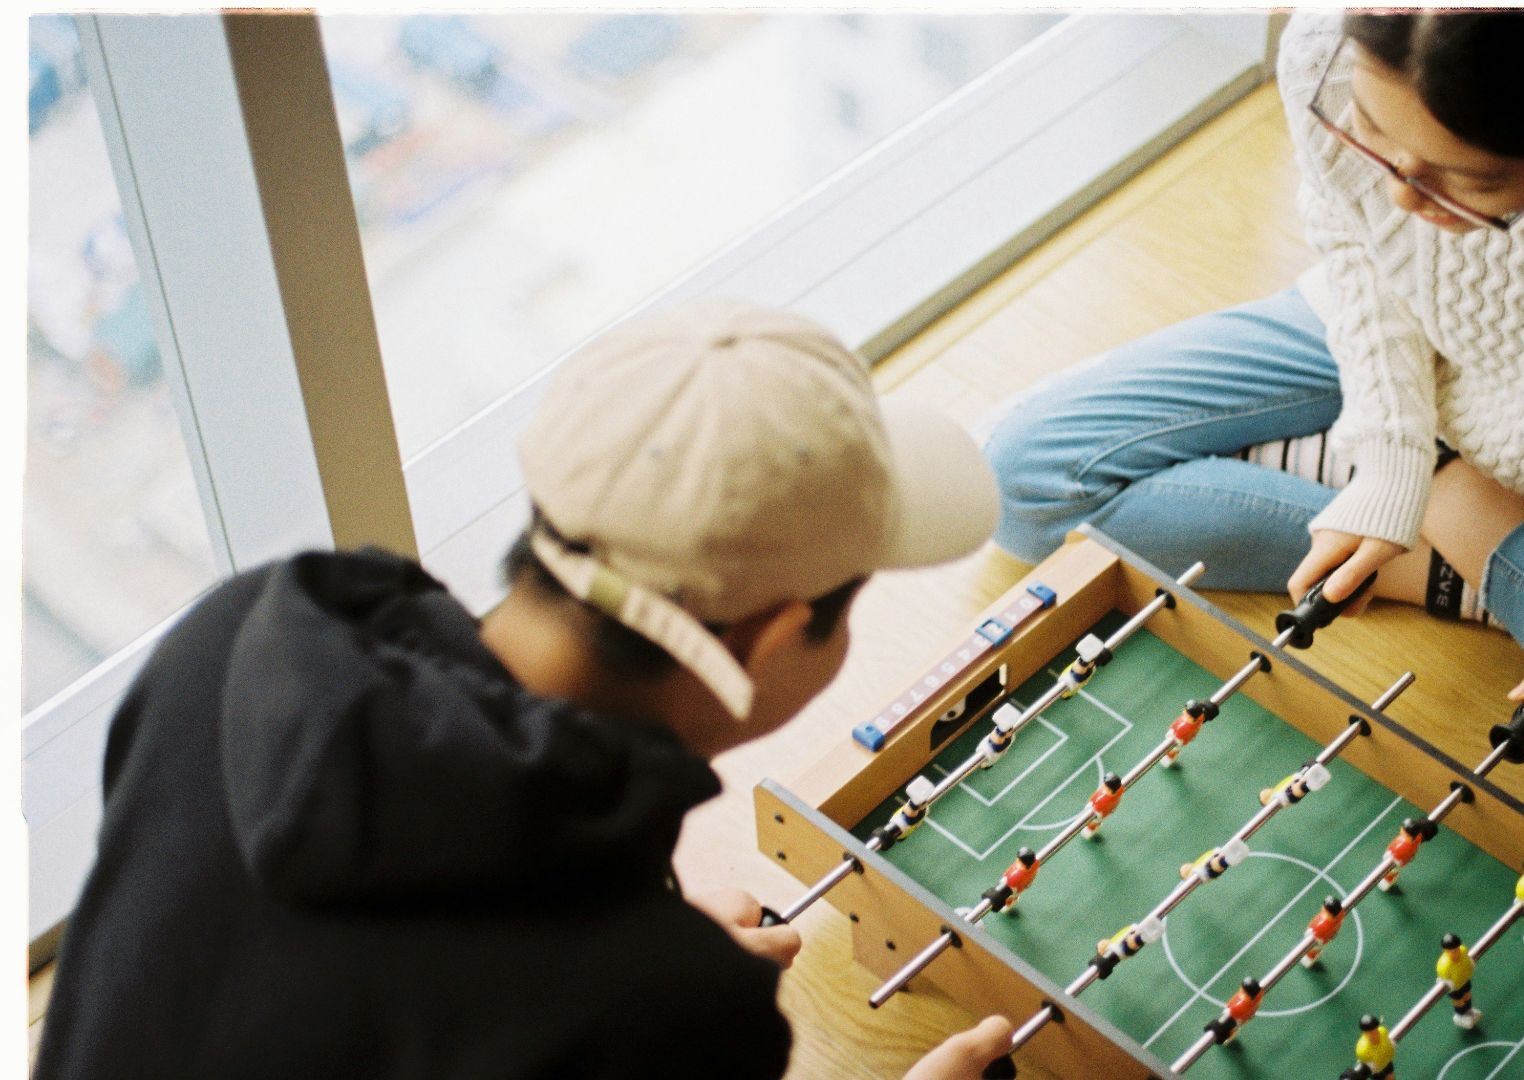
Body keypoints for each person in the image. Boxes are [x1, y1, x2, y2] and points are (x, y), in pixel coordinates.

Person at [33, 299, 1012, 1079]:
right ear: (773, 636)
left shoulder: (234, 635)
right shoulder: (666, 1009)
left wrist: (628, 953)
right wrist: (647, 993)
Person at [983, 10, 1524, 809]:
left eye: (1465, 183)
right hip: (1377, 341)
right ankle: (1471, 557)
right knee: (1019, 483)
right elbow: (1361, 245)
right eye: (1374, 138)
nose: (1403, 199)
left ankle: (1469, 528)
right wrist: (1397, 453)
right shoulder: (1335, 42)